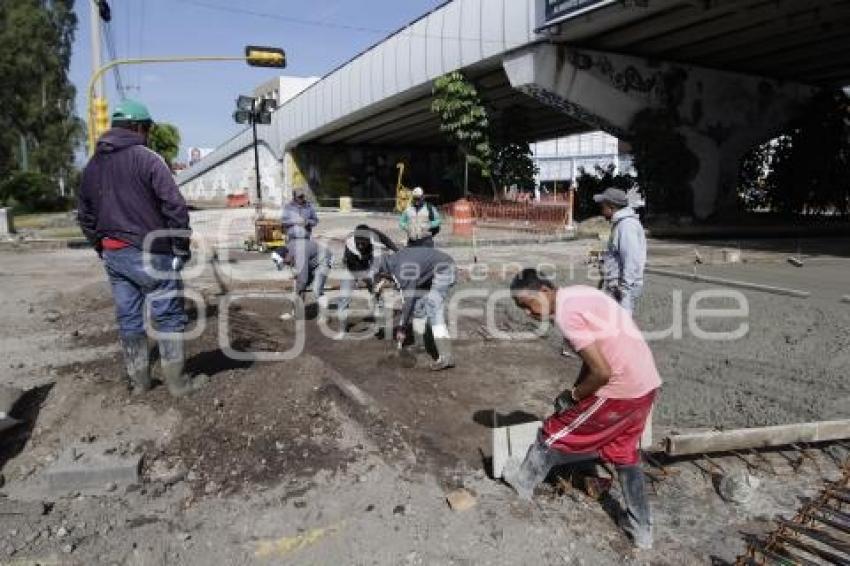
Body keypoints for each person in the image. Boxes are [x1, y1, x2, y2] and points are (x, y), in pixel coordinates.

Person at [504, 268, 661, 549]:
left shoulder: (566, 315)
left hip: (619, 390)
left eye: (527, 306)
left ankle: (523, 481)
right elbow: (593, 358)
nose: (528, 314)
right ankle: (642, 531)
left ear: (543, 291)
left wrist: (575, 395)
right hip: (645, 384)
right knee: (625, 454)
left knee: (552, 434)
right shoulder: (581, 293)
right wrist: (572, 394)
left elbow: (601, 372)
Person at [77, 99, 208, 397]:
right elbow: (174, 206)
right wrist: (180, 248)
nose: (147, 134)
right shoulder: (147, 158)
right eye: (146, 129)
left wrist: (101, 246)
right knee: (169, 315)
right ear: (138, 127)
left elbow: (84, 215)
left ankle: (139, 383)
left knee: (129, 317)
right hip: (152, 252)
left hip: (114, 252)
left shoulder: (93, 165)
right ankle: (177, 383)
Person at [374, 247, 456, 371]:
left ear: (385, 270)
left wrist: (402, 327)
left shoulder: (402, 270)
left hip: (444, 269)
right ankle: (420, 344)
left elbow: (408, 300)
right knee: (418, 307)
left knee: (434, 311)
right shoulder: (394, 261)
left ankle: (446, 357)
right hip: (430, 272)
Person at [594, 187, 646, 314]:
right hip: (617, 286)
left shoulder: (627, 226)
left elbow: (631, 259)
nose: (601, 211)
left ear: (611, 207)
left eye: (603, 207)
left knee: (622, 327)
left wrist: (624, 289)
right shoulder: (621, 224)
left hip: (623, 289)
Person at [336, 224, 399, 322]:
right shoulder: (350, 244)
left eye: (363, 243)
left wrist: (397, 251)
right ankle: (342, 322)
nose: (360, 245)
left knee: (376, 290)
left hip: (368, 264)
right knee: (344, 295)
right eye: (358, 242)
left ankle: (381, 315)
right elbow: (355, 268)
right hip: (351, 268)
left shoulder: (374, 235)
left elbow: (386, 240)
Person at [271, 240, 333, 313]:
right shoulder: (288, 251)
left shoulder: (300, 255)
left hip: (324, 260)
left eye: (285, 262)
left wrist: (298, 291)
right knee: (300, 284)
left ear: (287, 255)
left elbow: (303, 280)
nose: (286, 264)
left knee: (316, 289)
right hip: (311, 261)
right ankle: (299, 310)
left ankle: (325, 313)